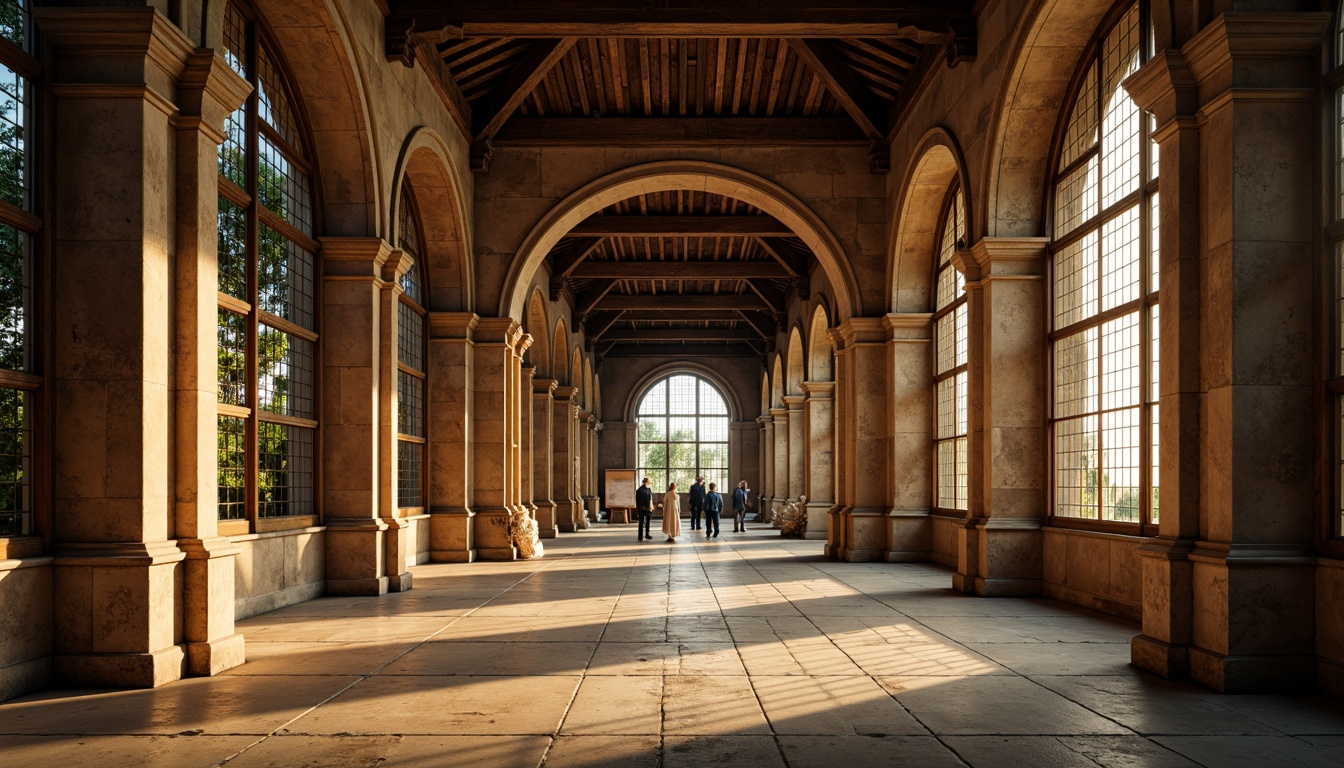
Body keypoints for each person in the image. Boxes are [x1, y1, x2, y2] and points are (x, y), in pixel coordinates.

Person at [635, 477, 654, 541]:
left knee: (646, 521)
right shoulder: (641, 490)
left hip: (646, 508)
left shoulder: (647, 489)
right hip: (644, 508)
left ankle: (645, 534)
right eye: (649, 482)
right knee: (642, 522)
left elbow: (651, 498)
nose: (649, 483)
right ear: (646, 482)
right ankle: (642, 535)